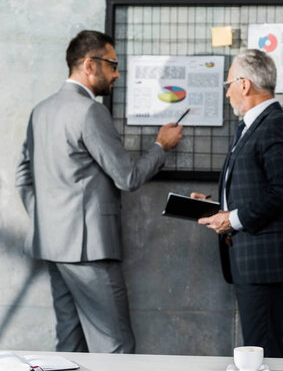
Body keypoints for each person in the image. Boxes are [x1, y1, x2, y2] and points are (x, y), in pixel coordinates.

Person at [15, 30, 183, 353]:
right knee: (116, 348)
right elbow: (128, 176)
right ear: (90, 65)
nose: (118, 73)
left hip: (53, 247)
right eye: (113, 64)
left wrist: (46, 219)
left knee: (70, 345)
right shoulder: (90, 111)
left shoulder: (41, 110)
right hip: (88, 250)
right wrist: (161, 146)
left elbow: (23, 176)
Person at [192, 49, 283, 358]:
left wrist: (232, 219)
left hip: (264, 263)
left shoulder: (276, 125)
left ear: (244, 84)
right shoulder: (251, 125)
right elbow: (258, 188)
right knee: (260, 344)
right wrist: (218, 207)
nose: (227, 93)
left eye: (228, 84)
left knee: (264, 348)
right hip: (250, 260)